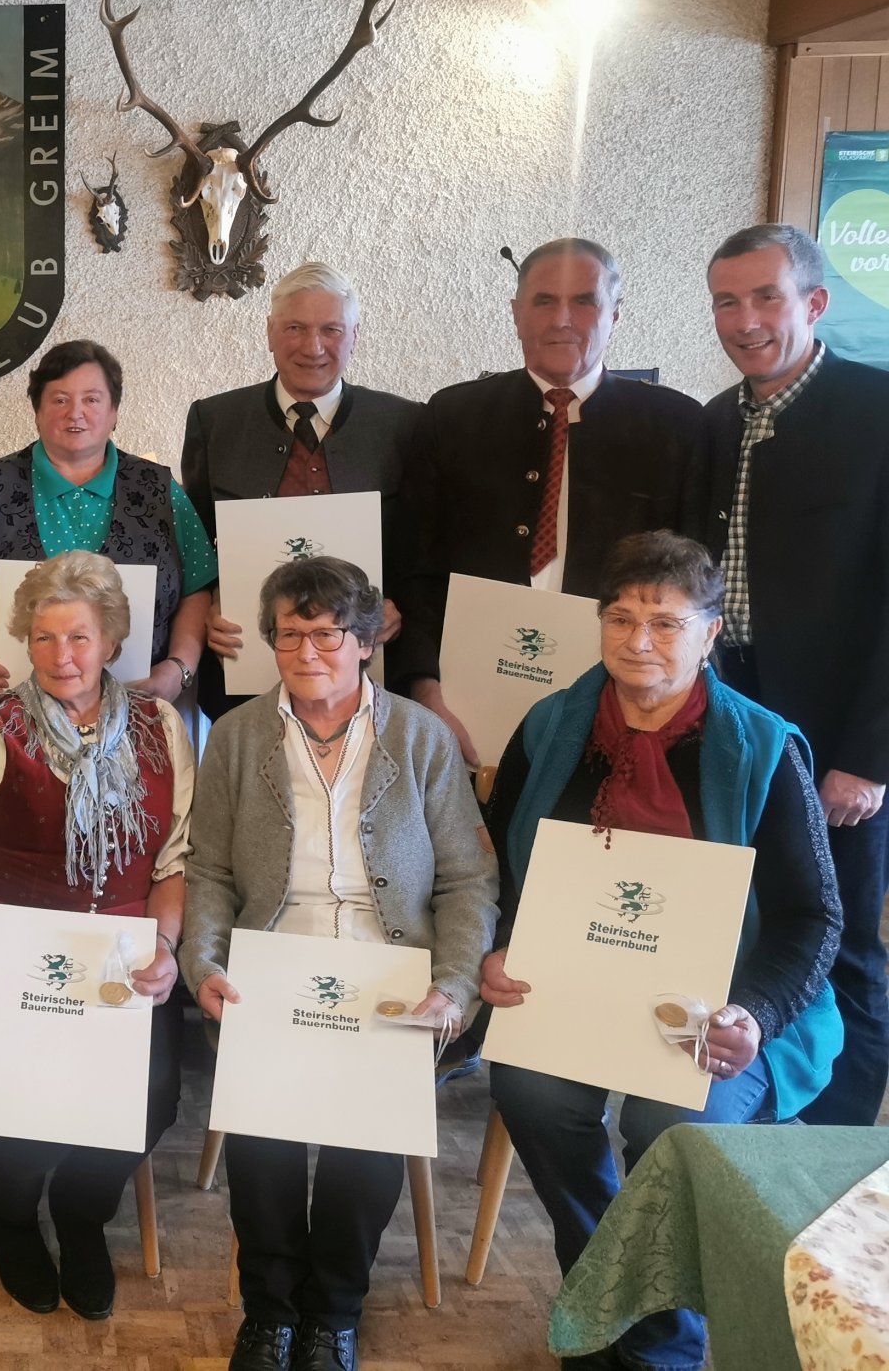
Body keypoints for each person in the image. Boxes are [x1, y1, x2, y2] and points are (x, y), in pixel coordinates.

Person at [481, 530, 841, 1371]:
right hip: (576, 989)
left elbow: (815, 918)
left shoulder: (763, 746)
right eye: (621, 618)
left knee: (670, 1121)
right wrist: (496, 949)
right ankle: (609, 1296)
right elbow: (497, 866)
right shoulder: (552, 725)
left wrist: (756, 1015)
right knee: (529, 1089)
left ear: (710, 634)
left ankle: (657, 1339)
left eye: (666, 623)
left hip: (721, 1006)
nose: (638, 640)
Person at [181, 556, 498, 1371]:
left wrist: (453, 986)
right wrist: (204, 964)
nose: (307, 652)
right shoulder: (238, 738)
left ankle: (334, 1313)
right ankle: (270, 1312)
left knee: (367, 1138)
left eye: (327, 635)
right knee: (263, 1136)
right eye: (290, 635)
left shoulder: (421, 738)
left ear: (364, 642)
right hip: (271, 961)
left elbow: (468, 880)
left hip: (390, 968)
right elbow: (208, 871)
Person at [0, 551, 191, 1321]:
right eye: (42, 638)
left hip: (126, 962)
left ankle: (79, 1210)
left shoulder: (160, 725)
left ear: (111, 642)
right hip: (14, 964)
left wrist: (165, 950)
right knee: (23, 1098)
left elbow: (175, 858)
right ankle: (12, 1216)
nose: (60, 656)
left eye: (78, 637)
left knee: (156, 1097)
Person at [701, 222, 889, 1127]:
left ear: (814, 302)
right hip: (736, 717)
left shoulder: (879, 411)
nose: (746, 320)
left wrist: (869, 757)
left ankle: (834, 1158)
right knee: (745, 931)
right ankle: (750, 1129)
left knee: (839, 943)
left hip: (839, 733)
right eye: (726, 302)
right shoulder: (715, 419)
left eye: (766, 297)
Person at [394, 238, 707, 763]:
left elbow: (691, 590)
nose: (562, 319)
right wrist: (424, 691)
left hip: (625, 716)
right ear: (516, 314)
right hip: (461, 711)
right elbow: (416, 571)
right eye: (544, 301)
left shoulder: (678, 427)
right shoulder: (451, 417)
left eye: (584, 301)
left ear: (615, 314)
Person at [180, 262, 420, 719]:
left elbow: (425, 547)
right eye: (295, 328)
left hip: (372, 681)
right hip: (245, 682)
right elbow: (195, 546)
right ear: (270, 332)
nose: (313, 347)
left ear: (354, 336)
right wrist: (209, 603)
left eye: (331, 329)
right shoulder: (215, 421)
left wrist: (401, 606)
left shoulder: (404, 425)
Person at [0, 340, 211, 710]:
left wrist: (179, 668)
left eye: (92, 399)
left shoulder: (160, 488)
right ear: (37, 411)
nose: (75, 413)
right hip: (15, 709)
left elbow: (197, 586)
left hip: (141, 706)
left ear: (114, 411)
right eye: (60, 400)